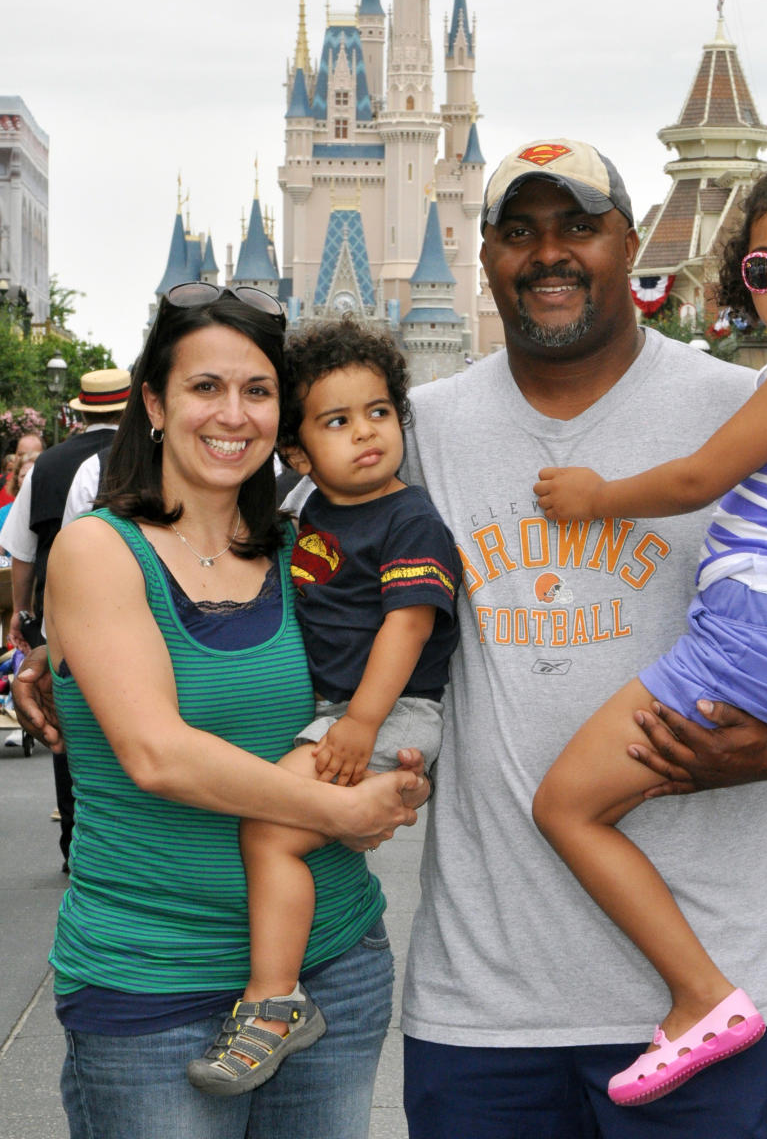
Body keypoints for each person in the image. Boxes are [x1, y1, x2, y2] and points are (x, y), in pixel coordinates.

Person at [399, 141, 767, 1139]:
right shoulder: (425, 428)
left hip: (734, 969)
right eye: (519, 232)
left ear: (629, 245)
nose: (548, 254)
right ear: (484, 258)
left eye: (578, 227)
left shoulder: (751, 406)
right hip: (486, 999)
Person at [530, 160, 767, 1104]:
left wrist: (596, 498)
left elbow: (702, 480)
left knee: (568, 808)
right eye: (764, 269)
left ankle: (700, 995)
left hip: (751, 632)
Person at [19, 284, 427, 1139]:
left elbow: (388, 677)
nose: (231, 415)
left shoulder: (302, 551)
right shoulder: (100, 549)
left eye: (257, 391)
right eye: (206, 387)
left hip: (334, 967)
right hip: (154, 984)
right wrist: (341, 808)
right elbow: (157, 754)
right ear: (155, 402)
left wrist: (397, 774)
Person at [187, 317, 460, 1096]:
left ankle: (274, 1001)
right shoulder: (309, 514)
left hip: (391, 707)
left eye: (379, 413)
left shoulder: (410, 518)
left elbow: (406, 629)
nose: (366, 434)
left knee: (271, 831)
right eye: (337, 422)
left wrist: (360, 724)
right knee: (275, 828)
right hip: (341, 707)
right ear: (301, 453)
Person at [2, 370, 130, 866]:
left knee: (66, 720)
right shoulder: (144, 456)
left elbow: (22, 549)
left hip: (66, 613)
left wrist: (22, 611)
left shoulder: (49, 465)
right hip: (134, 606)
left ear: (80, 412)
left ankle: (76, 840)